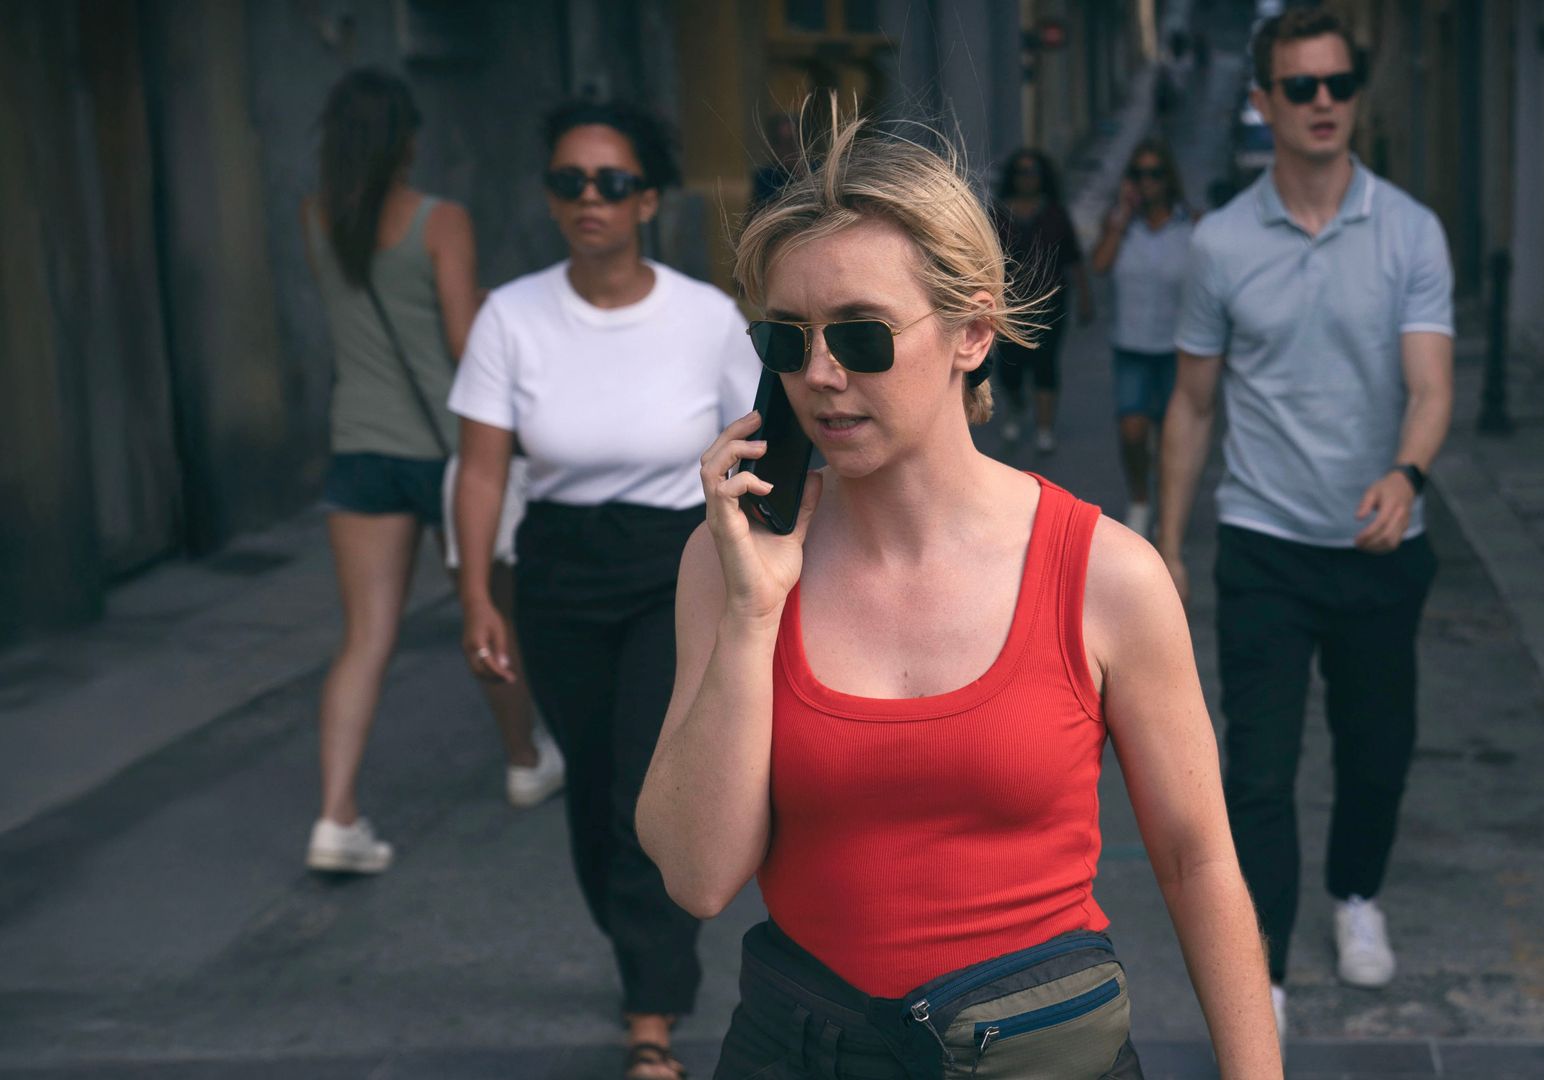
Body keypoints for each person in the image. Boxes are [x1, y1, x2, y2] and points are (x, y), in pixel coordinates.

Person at [636, 104, 1285, 1079]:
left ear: (972, 332)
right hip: (799, 1048)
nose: (819, 376)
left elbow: (1198, 858)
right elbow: (696, 877)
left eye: (861, 336)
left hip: (1036, 1056)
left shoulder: (1105, 574)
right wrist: (751, 615)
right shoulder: (732, 563)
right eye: (788, 338)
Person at [1158, 9, 1455, 1043]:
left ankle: (1358, 895)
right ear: (1264, 102)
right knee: (1258, 771)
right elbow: (1193, 406)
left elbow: (1430, 382)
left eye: (1339, 83)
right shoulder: (1222, 242)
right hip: (1265, 546)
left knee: (1378, 755)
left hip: (1382, 546)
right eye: (1301, 87)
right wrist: (1165, 547)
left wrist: (1408, 474)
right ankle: (1266, 966)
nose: (1324, 101)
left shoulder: (1412, 231)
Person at [448, 98, 759, 1080]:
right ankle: (642, 952)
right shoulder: (512, 315)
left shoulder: (705, 317)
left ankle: (651, 1011)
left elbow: (753, 447)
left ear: (649, 199)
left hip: (677, 561)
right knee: (591, 790)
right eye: (570, 182)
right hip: (558, 570)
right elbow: (485, 469)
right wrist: (476, 597)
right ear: (551, 198)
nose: (591, 200)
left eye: (612, 183)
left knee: (638, 781)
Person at [300, 68, 557, 877]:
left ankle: (335, 816)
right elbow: (459, 343)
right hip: (446, 450)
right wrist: (489, 308)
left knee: (364, 637)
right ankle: (523, 760)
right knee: (488, 613)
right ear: (408, 138)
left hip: (360, 448)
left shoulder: (317, 218)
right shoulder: (440, 221)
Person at [1089, 138, 1197, 537]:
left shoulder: (1192, 226)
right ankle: (1139, 496)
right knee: (1132, 433)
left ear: (1168, 179)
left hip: (1177, 349)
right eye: (1139, 174)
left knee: (1172, 439)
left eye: (1154, 174)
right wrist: (1120, 217)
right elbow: (1099, 264)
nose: (1147, 182)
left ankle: (1170, 512)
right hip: (1131, 345)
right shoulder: (1121, 225)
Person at [991, 148, 1094, 453]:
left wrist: (1085, 297)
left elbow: (1073, 258)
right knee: (1009, 367)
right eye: (1021, 172)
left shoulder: (1055, 214)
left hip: (1050, 303)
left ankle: (1044, 428)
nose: (1027, 179)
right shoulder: (998, 213)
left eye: (1033, 172)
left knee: (1045, 364)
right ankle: (1017, 406)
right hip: (1008, 304)